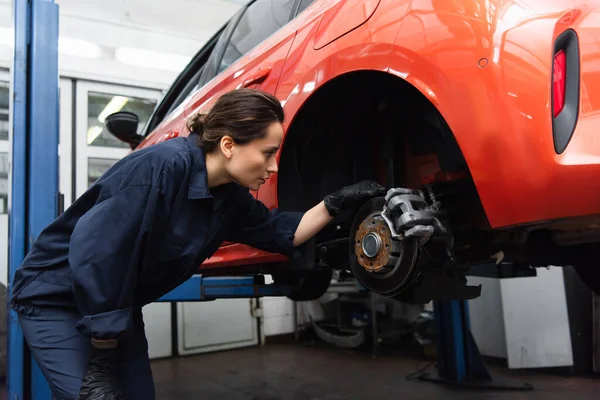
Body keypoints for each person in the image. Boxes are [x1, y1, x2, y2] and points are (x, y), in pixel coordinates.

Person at [9, 88, 386, 399]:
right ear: (228, 145)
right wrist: (103, 357)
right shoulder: (160, 168)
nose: (273, 168)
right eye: (268, 153)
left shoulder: (229, 198)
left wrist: (334, 204)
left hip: (115, 306)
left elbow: (277, 230)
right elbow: (98, 256)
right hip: (56, 298)